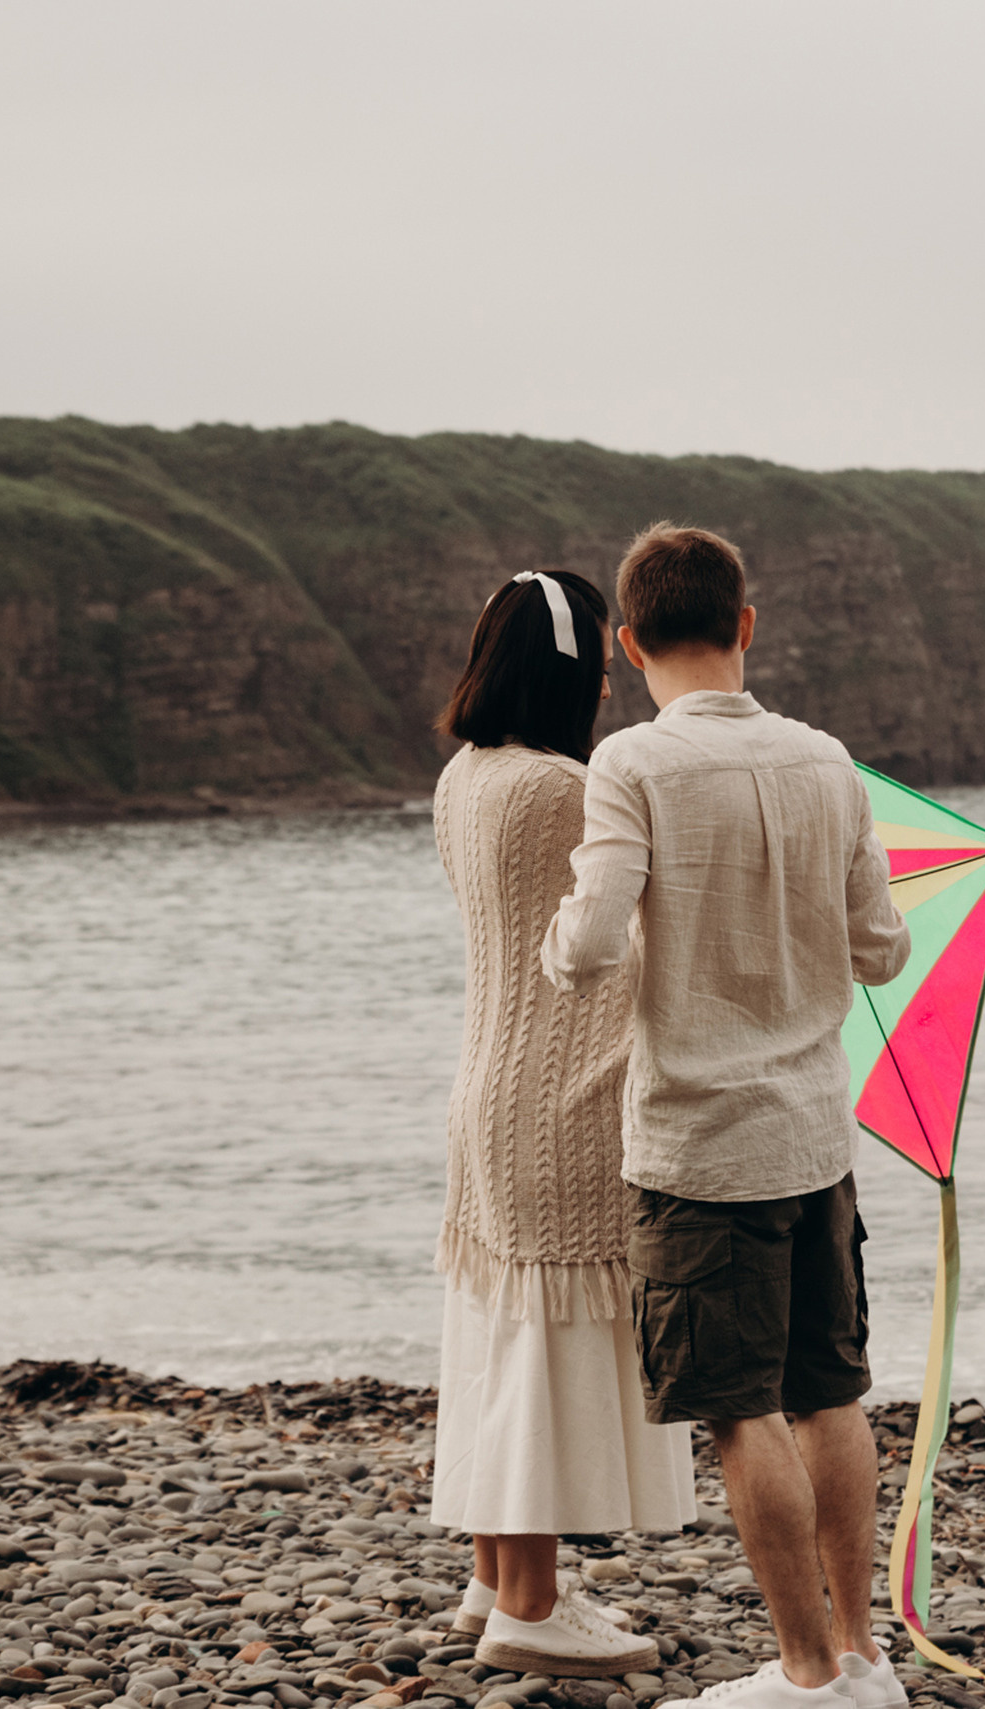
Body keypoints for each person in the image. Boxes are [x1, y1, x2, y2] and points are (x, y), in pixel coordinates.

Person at [544, 525, 914, 1709]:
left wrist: (557, 946)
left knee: (743, 1405)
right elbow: (883, 947)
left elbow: (591, 944)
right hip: (815, 1127)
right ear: (745, 625)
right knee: (830, 1389)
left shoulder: (630, 764)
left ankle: (805, 1675)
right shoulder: (828, 758)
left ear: (626, 637)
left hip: (701, 1141)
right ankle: (859, 1656)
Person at [428, 567, 695, 1679]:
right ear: (572, 670)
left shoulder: (465, 775)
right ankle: (531, 1602)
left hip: (486, 1084)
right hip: (568, 1094)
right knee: (543, 1340)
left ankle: (497, 1570)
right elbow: (637, 928)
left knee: (499, 1330)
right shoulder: (563, 790)